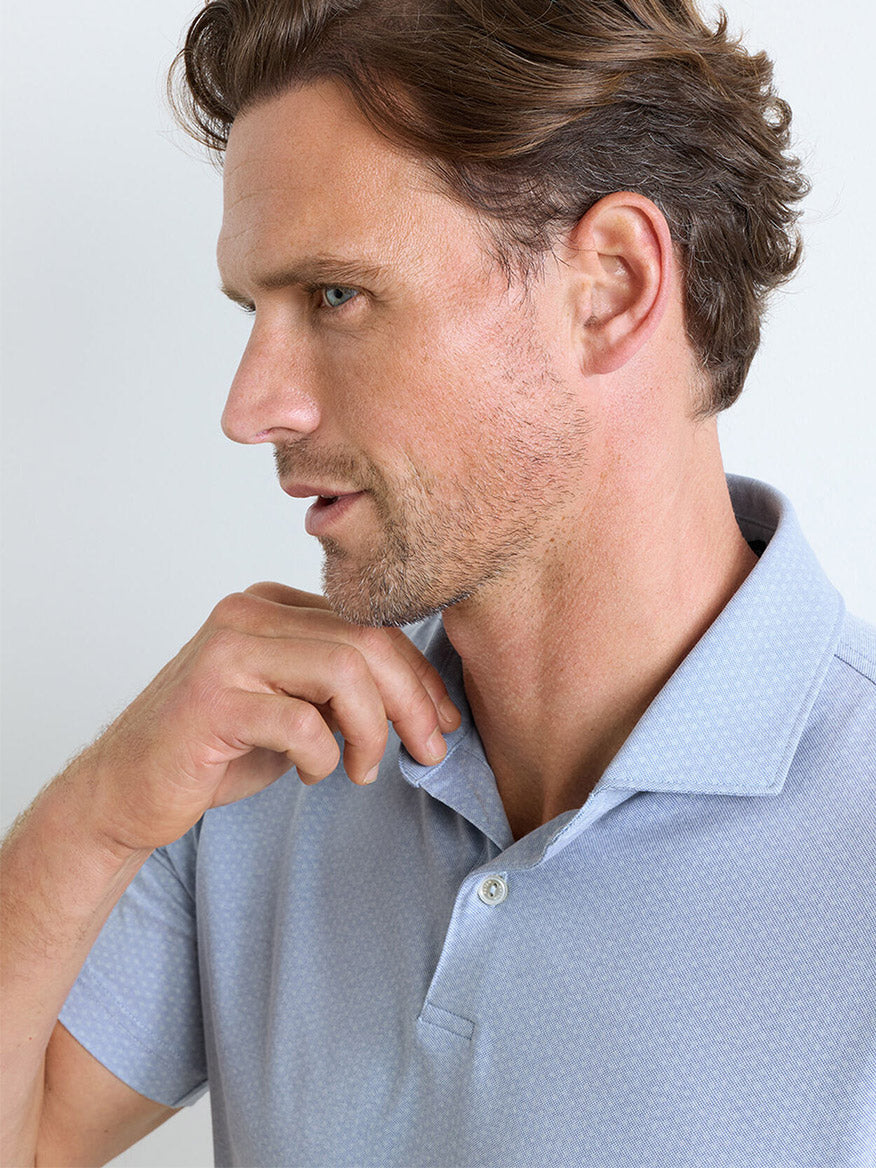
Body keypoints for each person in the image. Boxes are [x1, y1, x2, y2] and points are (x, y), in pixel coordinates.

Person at [2, 0, 874, 1163]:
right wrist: (98, 811)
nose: (250, 405)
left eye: (334, 296)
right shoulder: (255, 768)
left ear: (609, 286)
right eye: (253, 311)